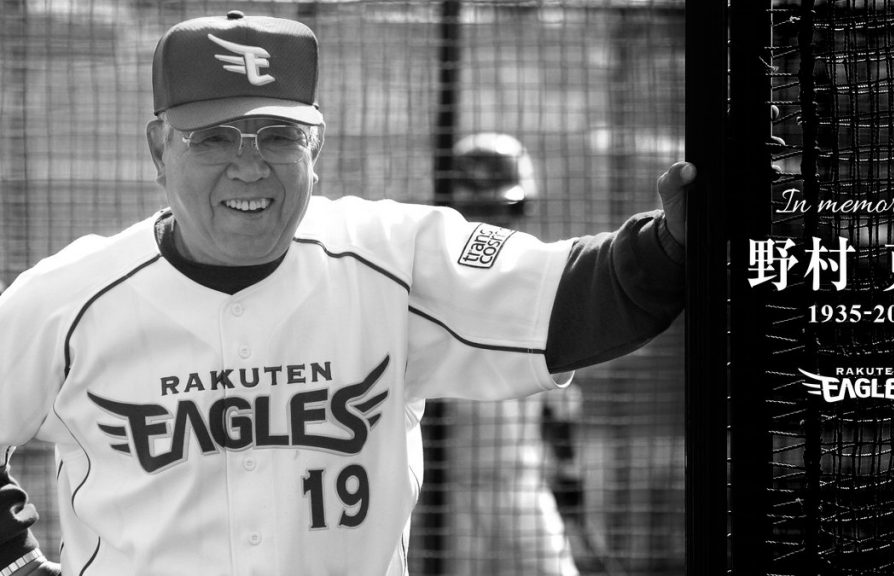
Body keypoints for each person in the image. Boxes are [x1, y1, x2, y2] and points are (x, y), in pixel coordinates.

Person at [0, 11, 689, 576]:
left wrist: (673, 245)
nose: (249, 165)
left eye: (279, 136)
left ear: (316, 147)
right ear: (159, 149)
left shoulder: (391, 257)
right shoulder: (69, 299)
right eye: (212, 139)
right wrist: (18, 562)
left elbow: (573, 296)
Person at [443, 133, 581, 576]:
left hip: (523, 486)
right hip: (447, 492)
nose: (494, 223)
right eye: (481, 211)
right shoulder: (425, 287)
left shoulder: (537, 281)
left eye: (503, 210)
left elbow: (560, 404)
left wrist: (568, 471)